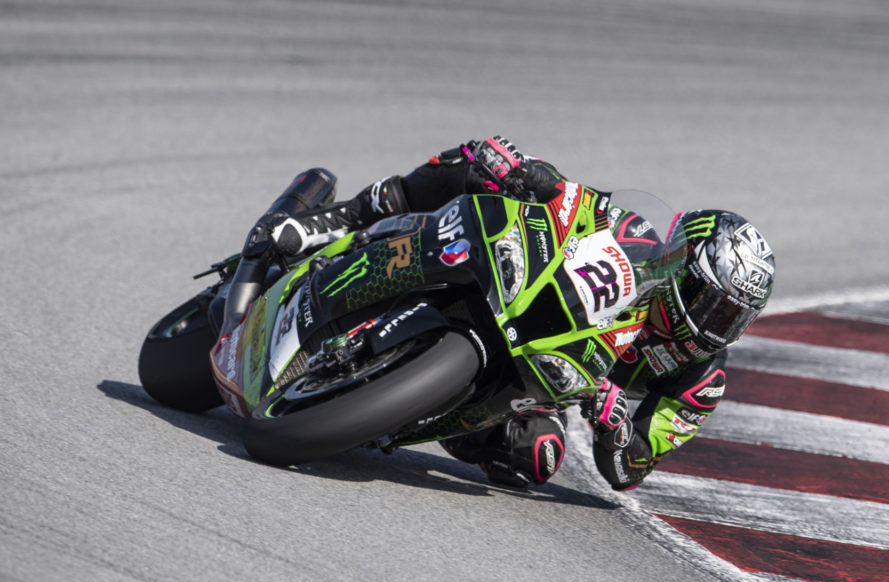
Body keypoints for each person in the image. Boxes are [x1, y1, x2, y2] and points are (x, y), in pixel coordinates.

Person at [227, 137, 775, 491]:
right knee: (479, 163)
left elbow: (632, 467)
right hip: (529, 304)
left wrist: (612, 430)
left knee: (538, 456)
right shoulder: (635, 235)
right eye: (714, 304)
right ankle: (345, 218)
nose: (717, 325)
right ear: (681, 268)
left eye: (734, 317)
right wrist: (536, 176)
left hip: (554, 380)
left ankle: (399, 409)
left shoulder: (702, 378)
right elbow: (576, 200)